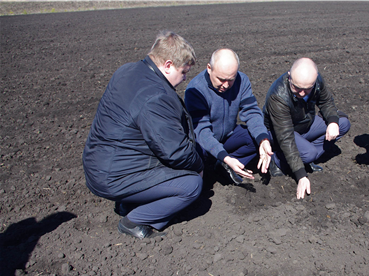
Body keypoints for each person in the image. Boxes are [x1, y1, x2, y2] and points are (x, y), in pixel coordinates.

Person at [82, 31, 204, 239]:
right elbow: (175, 152)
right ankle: (135, 220)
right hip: (112, 176)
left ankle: (127, 201)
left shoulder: (127, 70)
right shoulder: (156, 96)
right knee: (191, 185)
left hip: (97, 162)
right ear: (167, 65)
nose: (184, 79)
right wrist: (198, 166)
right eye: (183, 72)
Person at [262, 58, 351, 199]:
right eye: (297, 88)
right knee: (309, 153)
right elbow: (285, 136)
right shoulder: (278, 96)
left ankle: (304, 154)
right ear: (289, 76)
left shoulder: (315, 80)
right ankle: (277, 160)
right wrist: (301, 175)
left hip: (304, 124)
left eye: (307, 89)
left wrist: (333, 122)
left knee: (343, 124)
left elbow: (326, 101)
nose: (302, 93)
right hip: (279, 131)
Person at [184, 49, 273, 185]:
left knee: (261, 137)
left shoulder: (241, 80)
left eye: (230, 80)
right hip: (203, 143)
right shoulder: (196, 90)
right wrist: (224, 156)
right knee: (196, 160)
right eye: (221, 79)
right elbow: (201, 131)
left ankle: (223, 167)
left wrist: (263, 139)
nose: (225, 85)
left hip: (228, 136)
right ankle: (219, 165)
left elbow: (252, 112)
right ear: (209, 68)